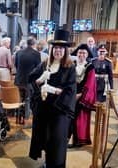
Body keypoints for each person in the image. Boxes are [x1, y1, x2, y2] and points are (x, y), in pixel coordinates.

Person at [28, 29, 76, 168]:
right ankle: (48, 163)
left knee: (57, 140)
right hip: (44, 109)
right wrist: (40, 80)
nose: (58, 51)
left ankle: (57, 165)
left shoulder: (69, 67)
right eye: (55, 48)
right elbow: (31, 79)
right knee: (46, 139)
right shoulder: (44, 64)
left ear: (65, 50)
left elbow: (71, 90)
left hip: (60, 110)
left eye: (61, 48)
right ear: (52, 50)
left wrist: (54, 90)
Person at [68, 44, 96, 148]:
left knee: (79, 120)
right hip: (71, 95)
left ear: (87, 54)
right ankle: (67, 138)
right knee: (69, 118)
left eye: (84, 53)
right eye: (80, 52)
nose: (81, 55)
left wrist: (81, 95)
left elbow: (90, 83)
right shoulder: (72, 64)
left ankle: (78, 141)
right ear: (77, 53)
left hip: (82, 97)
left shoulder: (90, 67)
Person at [14, 38, 41, 124]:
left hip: (19, 80)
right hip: (29, 81)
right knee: (27, 99)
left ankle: (18, 117)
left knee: (19, 98)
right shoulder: (36, 54)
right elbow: (38, 69)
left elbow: (16, 65)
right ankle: (25, 117)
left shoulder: (19, 52)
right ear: (34, 44)